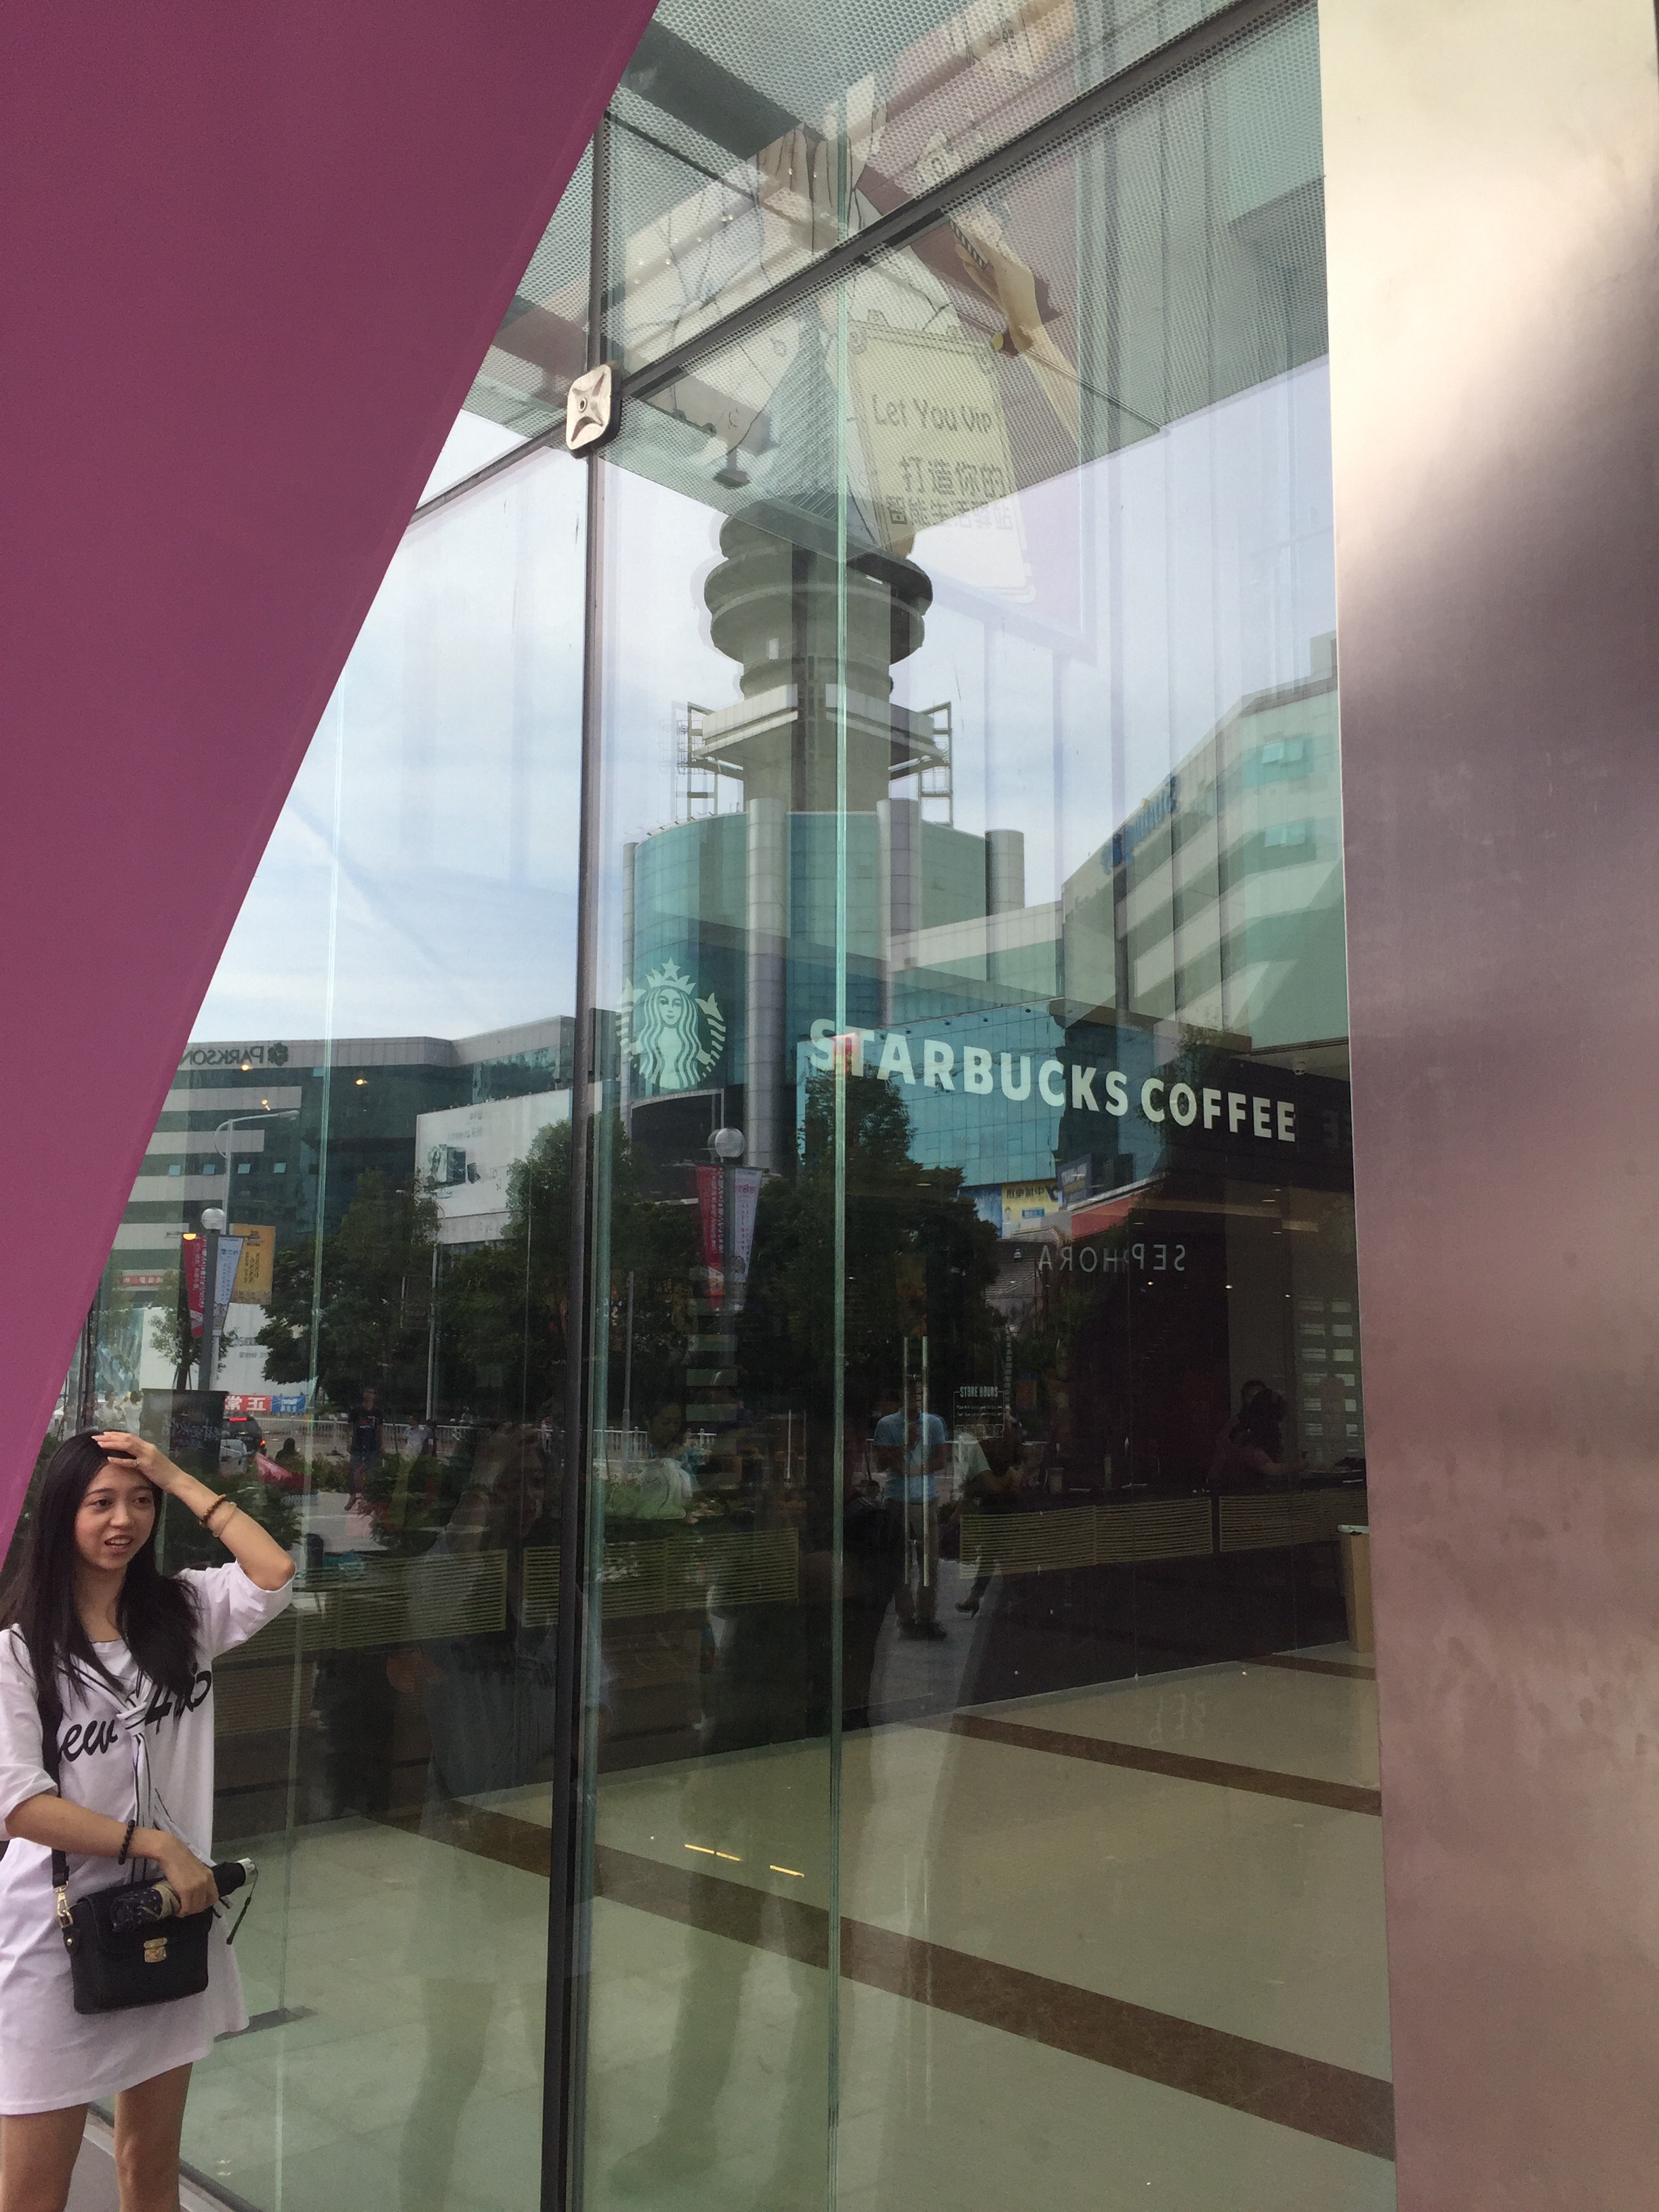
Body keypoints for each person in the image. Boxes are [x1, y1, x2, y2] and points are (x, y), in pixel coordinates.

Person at [0, 1429, 294, 2212]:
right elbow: (19, 1806)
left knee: (151, 2167)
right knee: (32, 2192)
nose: (121, 1520)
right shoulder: (21, 1654)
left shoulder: (186, 1611)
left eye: (139, 1501)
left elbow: (273, 1574)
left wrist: (175, 1473)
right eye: (99, 1503)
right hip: (53, 1944)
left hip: (165, 1925)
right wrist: (157, 1844)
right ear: (62, 1514)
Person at [872, 1384, 949, 1639]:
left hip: (926, 1500)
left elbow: (941, 1458)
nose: (916, 1399)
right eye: (911, 1394)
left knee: (929, 1562)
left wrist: (917, 1470)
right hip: (897, 1500)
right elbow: (881, 1462)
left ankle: (927, 1617)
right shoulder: (887, 1424)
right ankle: (906, 1618)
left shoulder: (935, 1423)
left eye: (920, 1394)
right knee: (900, 1562)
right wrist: (905, 1446)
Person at [346, 1387, 384, 1504]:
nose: (369, 1395)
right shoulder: (356, 1411)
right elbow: (349, 1427)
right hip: (357, 1444)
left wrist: (381, 1445)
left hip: (372, 1446)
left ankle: (367, 1498)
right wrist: (348, 1441)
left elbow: (380, 1429)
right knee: (354, 1470)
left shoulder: (377, 1412)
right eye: (367, 1392)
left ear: (374, 1396)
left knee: (371, 1472)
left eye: (371, 1393)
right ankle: (352, 1495)